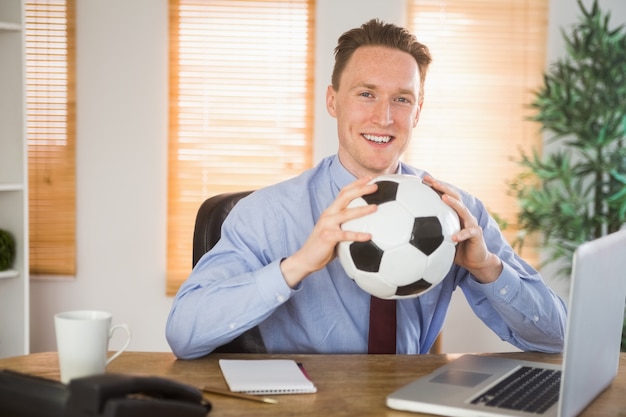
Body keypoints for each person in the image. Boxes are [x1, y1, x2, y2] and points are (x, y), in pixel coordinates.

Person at [166, 19, 567, 359]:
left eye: (402, 99)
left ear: (418, 111)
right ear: (333, 101)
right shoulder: (267, 213)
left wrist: (488, 269)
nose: (384, 117)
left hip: (411, 403)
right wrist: (298, 265)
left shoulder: (456, 212)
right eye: (366, 94)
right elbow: (184, 334)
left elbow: (556, 337)